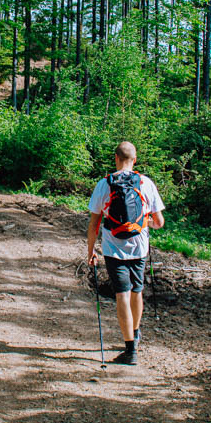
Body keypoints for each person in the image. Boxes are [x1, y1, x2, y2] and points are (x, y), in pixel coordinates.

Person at [86, 141, 165, 365]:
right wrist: (143, 222)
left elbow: (94, 224)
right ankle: (136, 332)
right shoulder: (145, 183)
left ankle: (130, 350)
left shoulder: (104, 184)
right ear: (135, 160)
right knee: (136, 290)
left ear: (116, 159)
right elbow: (159, 222)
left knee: (122, 293)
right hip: (140, 248)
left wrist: (91, 251)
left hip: (113, 248)